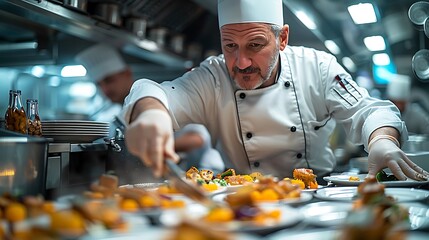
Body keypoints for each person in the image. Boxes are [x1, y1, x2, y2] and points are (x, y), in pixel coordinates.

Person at [122, 0, 429, 181]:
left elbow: (368, 110)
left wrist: (382, 140)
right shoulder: (213, 76)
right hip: (243, 205)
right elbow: (157, 91)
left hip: (319, 201)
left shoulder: (317, 67)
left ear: (282, 38)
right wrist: (151, 114)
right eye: (230, 46)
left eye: (255, 45)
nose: (241, 62)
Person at [76, 43, 224, 176]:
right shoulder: (112, 115)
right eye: (99, 84)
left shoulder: (160, 97)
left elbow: (197, 139)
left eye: (109, 80)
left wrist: (152, 147)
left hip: (200, 174)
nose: (105, 89)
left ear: (127, 73)